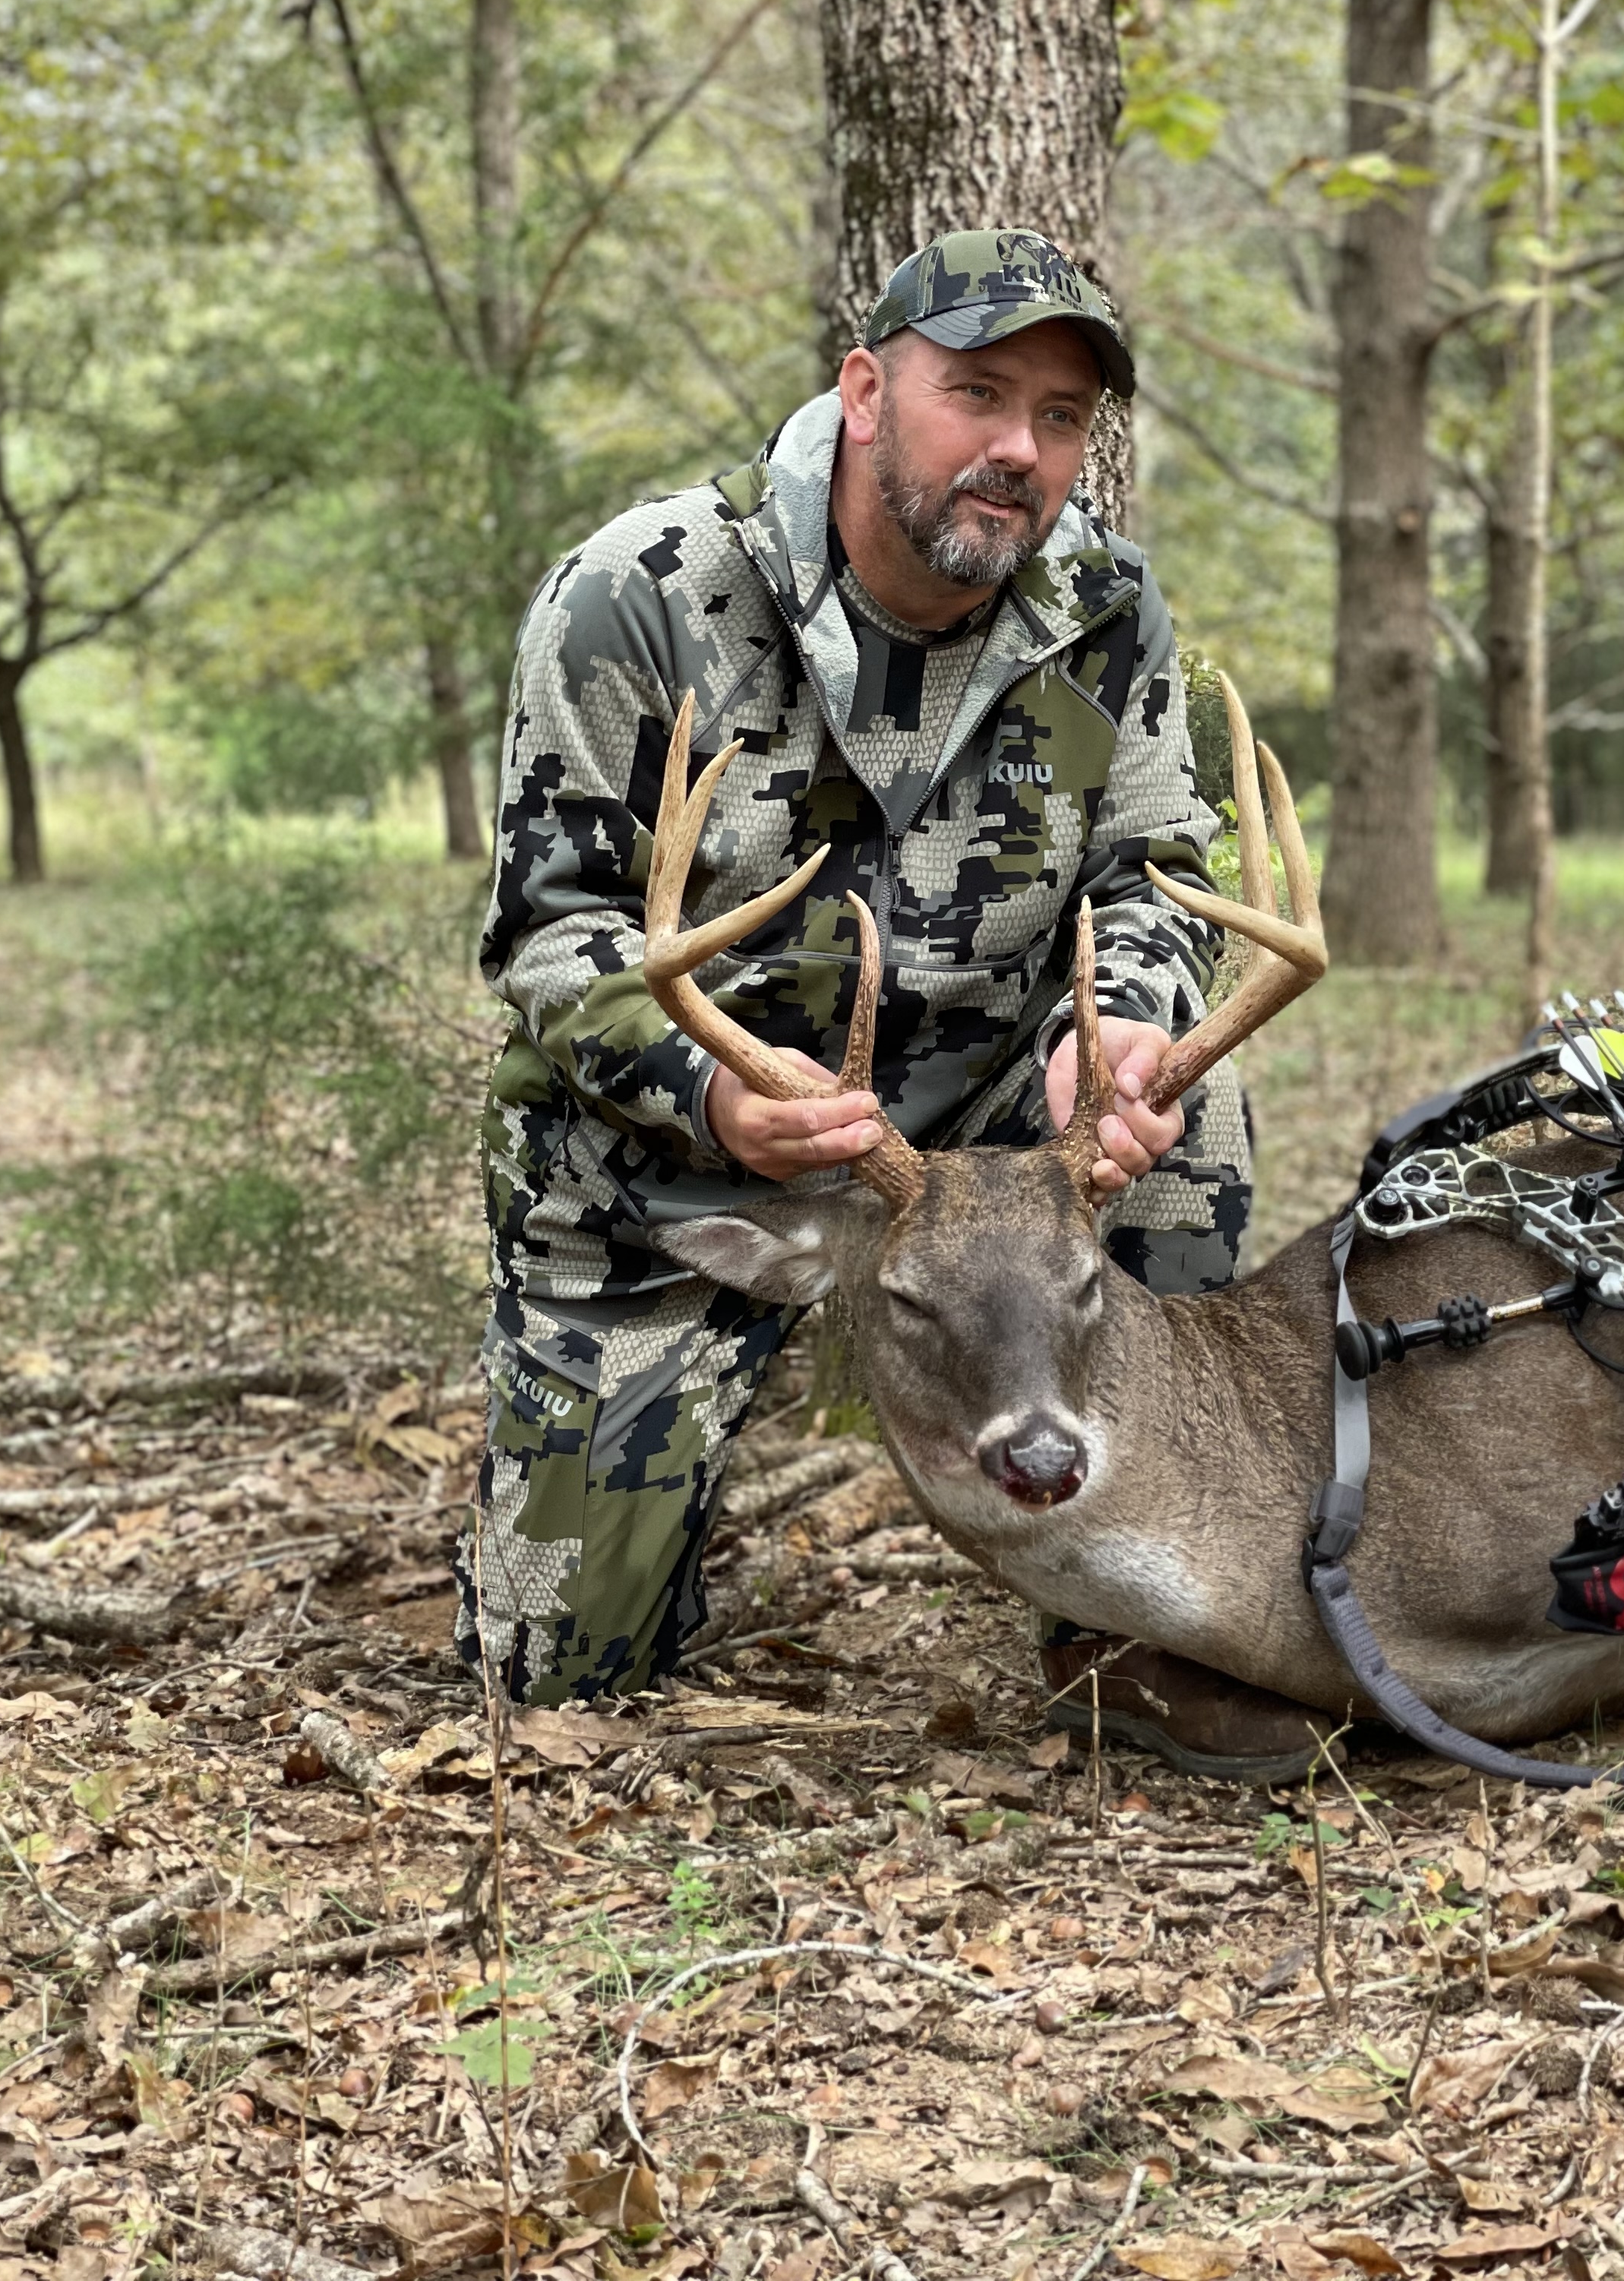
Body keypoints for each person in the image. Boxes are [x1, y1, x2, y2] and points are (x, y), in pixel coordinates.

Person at [466, 229, 1329, 1777]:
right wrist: (713, 1093)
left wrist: (1118, 1028)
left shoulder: (1105, 607)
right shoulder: (639, 596)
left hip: (991, 1152)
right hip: (677, 1172)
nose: (1021, 452)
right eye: (977, 396)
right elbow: (552, 934)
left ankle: (1131, 1635)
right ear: (866, 392)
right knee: (550, 1678)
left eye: (1061, 418)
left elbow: (1150, 870)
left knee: (1189, 1133)